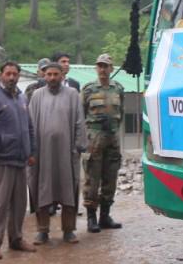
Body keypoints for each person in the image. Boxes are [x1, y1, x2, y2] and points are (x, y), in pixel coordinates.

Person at [0, 61, 36, 259]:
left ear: (19, 76)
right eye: (8, 73)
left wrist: (31, 151)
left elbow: (29, 127)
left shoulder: (21, 97)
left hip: (20, 159)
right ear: (1, 75)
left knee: (20, 203)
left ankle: (16, 239)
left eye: (14, 74)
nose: (11, 77)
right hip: (1, 160)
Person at [28, 60, 85, 244]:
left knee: (68, 188)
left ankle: (68, 230)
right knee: (42, 188)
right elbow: (30, 124)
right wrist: (30, 149)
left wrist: (78, 146)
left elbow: (79, 121)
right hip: (42, 153)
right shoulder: (37, 95)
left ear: (62, 76)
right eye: (49, 75)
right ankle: (42, 231)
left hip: (66, 152)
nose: (52, 78)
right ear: (44, 76)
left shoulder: (72, 94)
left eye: (56, 74)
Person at [80, 53, 125, 233]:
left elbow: (121, 112)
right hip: (94, 138)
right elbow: (81, 114)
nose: (103, 69)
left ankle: (105, 215)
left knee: (111, 177)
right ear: (96, 68)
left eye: (106, 66)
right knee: (92, 178)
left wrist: (113, 129)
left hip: (112, 136)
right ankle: (92, 218)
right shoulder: (89, 89)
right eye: (100, 66)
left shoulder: (118, 89)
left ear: (111, 69)